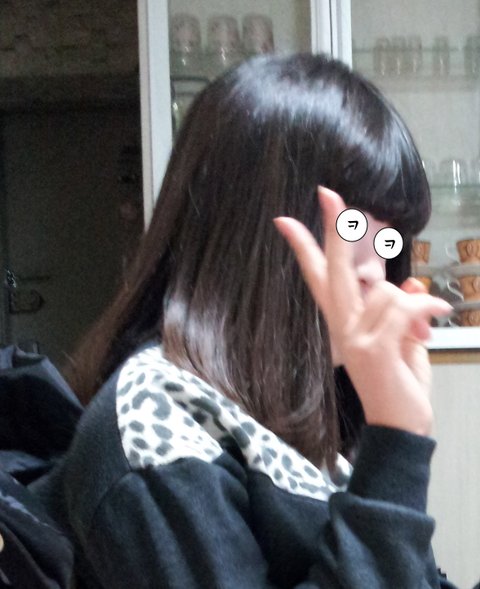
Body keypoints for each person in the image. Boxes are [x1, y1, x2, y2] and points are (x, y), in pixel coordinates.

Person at [33, 52, 460, 588]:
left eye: (388, 239)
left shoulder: (298, 416)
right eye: (349, 227)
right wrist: (396, 443)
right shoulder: (156, 423)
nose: (375, 271)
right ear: (252, 228)